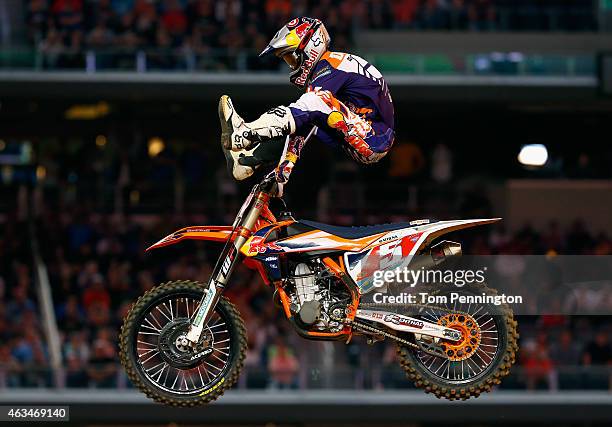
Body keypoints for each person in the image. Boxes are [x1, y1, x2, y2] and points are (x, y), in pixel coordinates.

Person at [219, 17, 395, 183]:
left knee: (313, 104)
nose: (291, 65)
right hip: (359, 132)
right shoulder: (326, 71)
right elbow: (305, 122)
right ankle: (247, 161)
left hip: (374, 137)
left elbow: (312, 105)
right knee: (304, 117)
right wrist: (284, 170)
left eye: (290, 57)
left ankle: (245, 132)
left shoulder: (331, 64)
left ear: (309, 47)